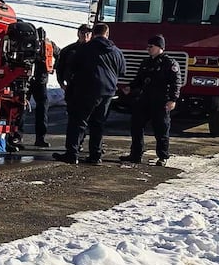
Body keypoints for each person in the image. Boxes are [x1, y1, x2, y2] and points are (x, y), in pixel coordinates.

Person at [54, 22, 125, 165]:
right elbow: (122, 71)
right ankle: (95, 155)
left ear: (93, 34)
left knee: (78, 122)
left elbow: (72, 67)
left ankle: (72, 153)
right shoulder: (116, 51)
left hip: (87, 90)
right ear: (107, 34)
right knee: (98, 123)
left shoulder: (85, 49)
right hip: (108, 91)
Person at [120, 34, 181, 165]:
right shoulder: (146, 62)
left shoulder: (169, 63)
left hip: (160, 101)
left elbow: (176, 83)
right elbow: (139, 80)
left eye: (151, 46)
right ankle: (135, 154)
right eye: (147, 46)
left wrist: (173, 99)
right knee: (136, 126)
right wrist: (130, 88)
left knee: (161, 129)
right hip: (144, 99)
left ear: (160, 47)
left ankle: (162, 157)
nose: (148, 49)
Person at [27, 28, 55, 148]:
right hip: (36, 81)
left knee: (23, 106)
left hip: (30, 80)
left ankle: (17, 136)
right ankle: (39, 138)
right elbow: (60, 54)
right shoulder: (49, 44)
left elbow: (60, 54)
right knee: (41, 108)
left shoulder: (29, 43)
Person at [54, 23, 91, 95]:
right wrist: (61, 83)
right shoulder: (68, 50)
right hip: (72, 86)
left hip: (90, 87)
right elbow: (60, 68)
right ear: (78, 34)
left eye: (88, 33)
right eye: (83, 32)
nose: (85, 35)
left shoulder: (95, 50)